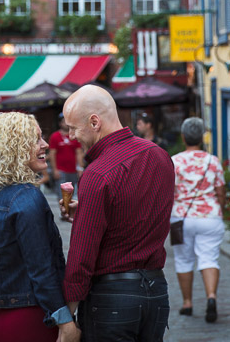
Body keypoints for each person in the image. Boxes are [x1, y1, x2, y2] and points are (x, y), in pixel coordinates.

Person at [61, 85, 174, 341]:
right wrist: (89, 209)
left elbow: (82, 254)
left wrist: (67, 317)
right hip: (155, 291)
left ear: (94, 122)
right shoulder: (159, 155)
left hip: (112, 297)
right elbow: (142, 211)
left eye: (73, 127)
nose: (70, 135)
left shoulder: (97, 172)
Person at [0, 112, 79, 342]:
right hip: (34, 318)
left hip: (1, 319)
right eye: (35, 139)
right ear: (14, 147)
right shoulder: (28, 198)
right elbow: (42, 270)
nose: (45, 145)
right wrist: (65, 321)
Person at [171, 117, 226, 323]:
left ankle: (187, 303)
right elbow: (220, 190)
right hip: (209, 217)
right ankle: (211, 297)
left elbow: (169, 191)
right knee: (209, 259)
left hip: (180, 218)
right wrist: (220, 208)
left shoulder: (175, 161)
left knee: (183, 260)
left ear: (183, 137)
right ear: (202, 138)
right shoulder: (213, 161)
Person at [48, 115, 83, 200]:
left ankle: (71, 212)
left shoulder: (75, 136)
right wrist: (55, 170)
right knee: (62, 196)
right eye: (64, 121)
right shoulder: (55, 136)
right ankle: (64, 212)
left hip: (73, 171)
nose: (66, 124)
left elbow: (79, 153)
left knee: (72, 196)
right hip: (61, 171)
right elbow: (52, 154)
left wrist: (80, 168)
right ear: (60, 123)